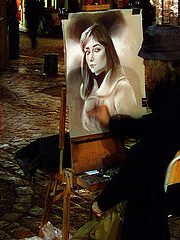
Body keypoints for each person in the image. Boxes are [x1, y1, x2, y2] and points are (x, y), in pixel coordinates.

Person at [72, 24, 180, 240]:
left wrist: (103, 201)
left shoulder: (163, 101)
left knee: (140, 206)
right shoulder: (173, 97)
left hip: (164, 192)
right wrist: (113, 123)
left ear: (159, 65)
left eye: (147, 61)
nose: (143, 66)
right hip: (169, 182)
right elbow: (153, 126)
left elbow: (141, 160)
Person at [79, 23, 140, 133]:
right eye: (87, 51)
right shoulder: (90, 86)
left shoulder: (121, 88)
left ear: (108, 50)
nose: (90, 58)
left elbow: (131, 131)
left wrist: (108, 121)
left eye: (97, 50)